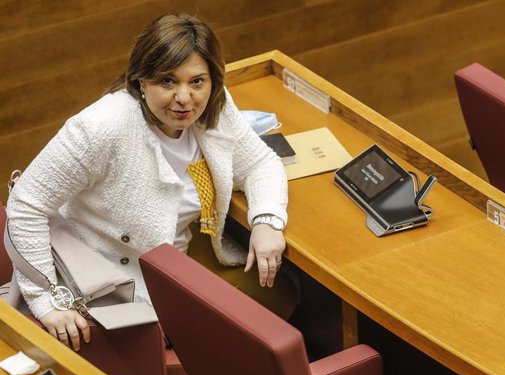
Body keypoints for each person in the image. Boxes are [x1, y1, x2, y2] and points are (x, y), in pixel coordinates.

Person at [6, 13, 296, 351]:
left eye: (197, 81)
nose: (185, 98)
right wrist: (46, 300)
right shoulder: (100, 129)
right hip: (103, 275)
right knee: (238, 335)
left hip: (172, 259)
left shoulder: (215, 107)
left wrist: (266, 221)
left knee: (282, 292)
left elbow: (260, 163)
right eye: (168, 82)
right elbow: (25, 204)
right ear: (141, 81)